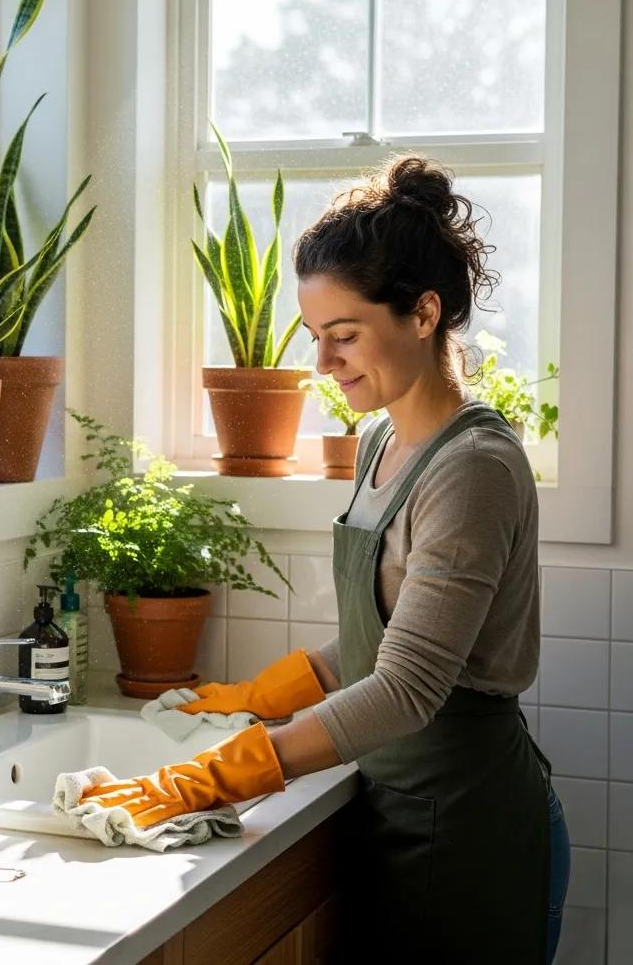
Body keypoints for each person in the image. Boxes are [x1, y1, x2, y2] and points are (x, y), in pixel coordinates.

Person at [79, 156, 570, 964]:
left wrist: (216, 775)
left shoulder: (472, 467)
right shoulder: (378, 440)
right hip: (395, 806)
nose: (322, 363)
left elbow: (410, 687)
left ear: (423, 312)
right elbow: (385, 639)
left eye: (344, 336)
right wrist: (258, 695)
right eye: (316, 337)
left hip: (471, 828)